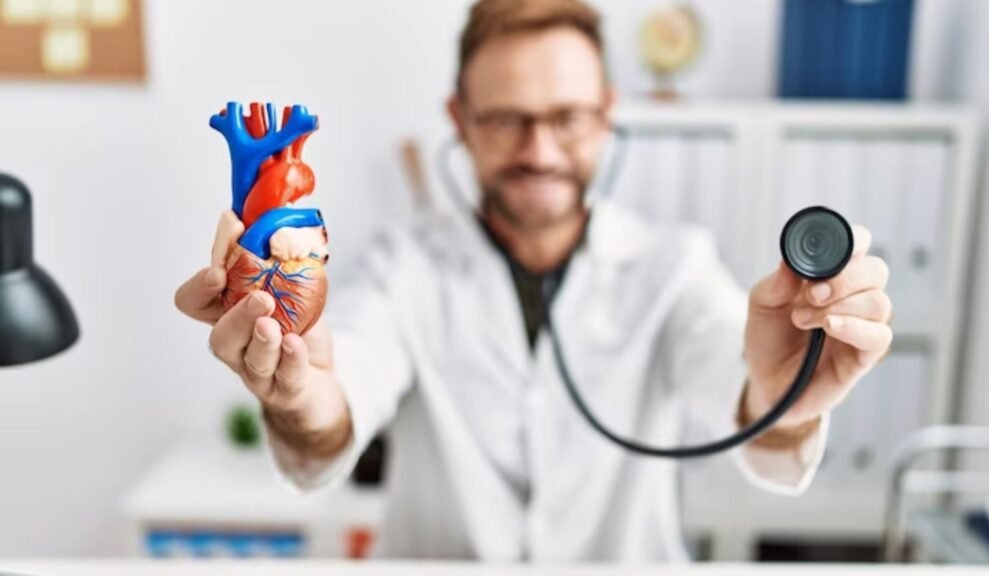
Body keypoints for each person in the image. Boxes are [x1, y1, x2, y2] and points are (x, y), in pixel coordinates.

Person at [174, 0, 892, 562]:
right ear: (460, 119)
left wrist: (786, 395)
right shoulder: (405, 265)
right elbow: (338, 399)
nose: (540, 150)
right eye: (508, 120)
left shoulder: (674, 266)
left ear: (608, 114)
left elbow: (745, 412)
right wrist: (298, 393)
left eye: (568, 119)